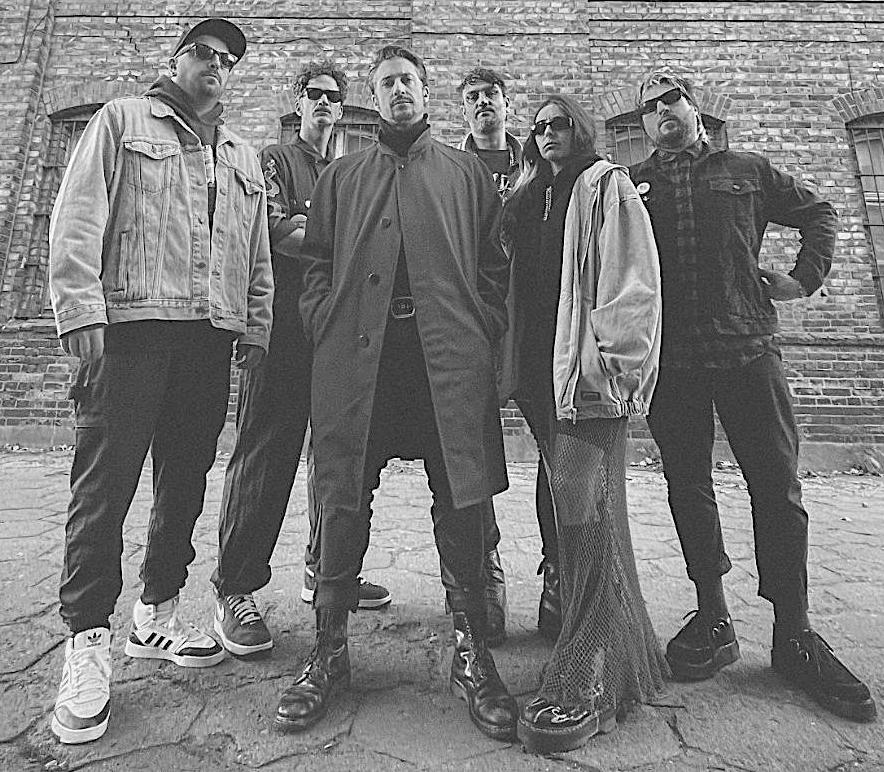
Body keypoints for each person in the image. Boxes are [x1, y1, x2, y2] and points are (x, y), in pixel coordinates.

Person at [274, 44, 518, 742]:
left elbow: (494, 265)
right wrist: (323, 320)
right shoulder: (343, 176)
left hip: (446, 361)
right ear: (374, 98)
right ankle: (329, 650)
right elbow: (316, 264)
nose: (398, 90)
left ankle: (471, 652)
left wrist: (482, 326)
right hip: (360, 360)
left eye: (408, 80)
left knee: (463, 500)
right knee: (343, 497)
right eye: (385, 83)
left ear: (425, 91)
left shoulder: (466, 174)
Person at [47, 19, 273, 744]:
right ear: (176, 59)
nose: (216, 64)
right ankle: (87, 641)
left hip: (208, 338)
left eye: (227, 59)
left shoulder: (239, 154)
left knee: (184, 482)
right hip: (129, 330)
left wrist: (256, 327)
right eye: (203, 51)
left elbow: (256, 252)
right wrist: (78, 307)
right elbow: (78, 213)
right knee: (104, 489)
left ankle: (156, 615)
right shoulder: (121, 121)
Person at [630, 68, 876, 722]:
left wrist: (803, 278)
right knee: (688, 484)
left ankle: (794, 633)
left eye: (671, 99)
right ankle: (713, 617)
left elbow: (818, 211)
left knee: (776, 485)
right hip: (673, 362)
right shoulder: (633, 185)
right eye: (650, 107)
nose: (662, 112)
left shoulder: (746, 169)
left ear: (694, 108)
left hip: (748, 350)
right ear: (644, 123)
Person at [504, 95, 667, 754]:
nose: (549, 134)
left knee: (586, 511)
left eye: (560, 123)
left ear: (581, 129)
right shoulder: (532, 196)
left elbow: (635, 283)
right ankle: (597, 640)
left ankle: (593, 671)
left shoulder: (605, 185)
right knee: (576, 512)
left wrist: (618, 371)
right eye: (539, 127)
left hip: (588, 378)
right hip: (542, 379)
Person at [211, 61, 390, 659]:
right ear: (298, 102)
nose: (324, 104)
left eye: (333, 97)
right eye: (314, 94)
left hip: (333, 333)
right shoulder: (275, 160)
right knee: (266, 455)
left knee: (334, 457)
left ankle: (325, 569)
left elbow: (338, 235)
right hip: (281, 331)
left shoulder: (345, 171)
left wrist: (310, 228)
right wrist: (336, 237)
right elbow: (271, 232)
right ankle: (234, 588)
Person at [458, 67, 562, 642]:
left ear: (506, 104)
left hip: (537, 330)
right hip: (474, 330)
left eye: (491, 95)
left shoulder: (539, 168)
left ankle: (559, 570)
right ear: (464, 110)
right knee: (470, 456)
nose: (483, 104)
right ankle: (483, 572)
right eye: (473, 98)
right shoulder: (450, 169)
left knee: (557, 450)